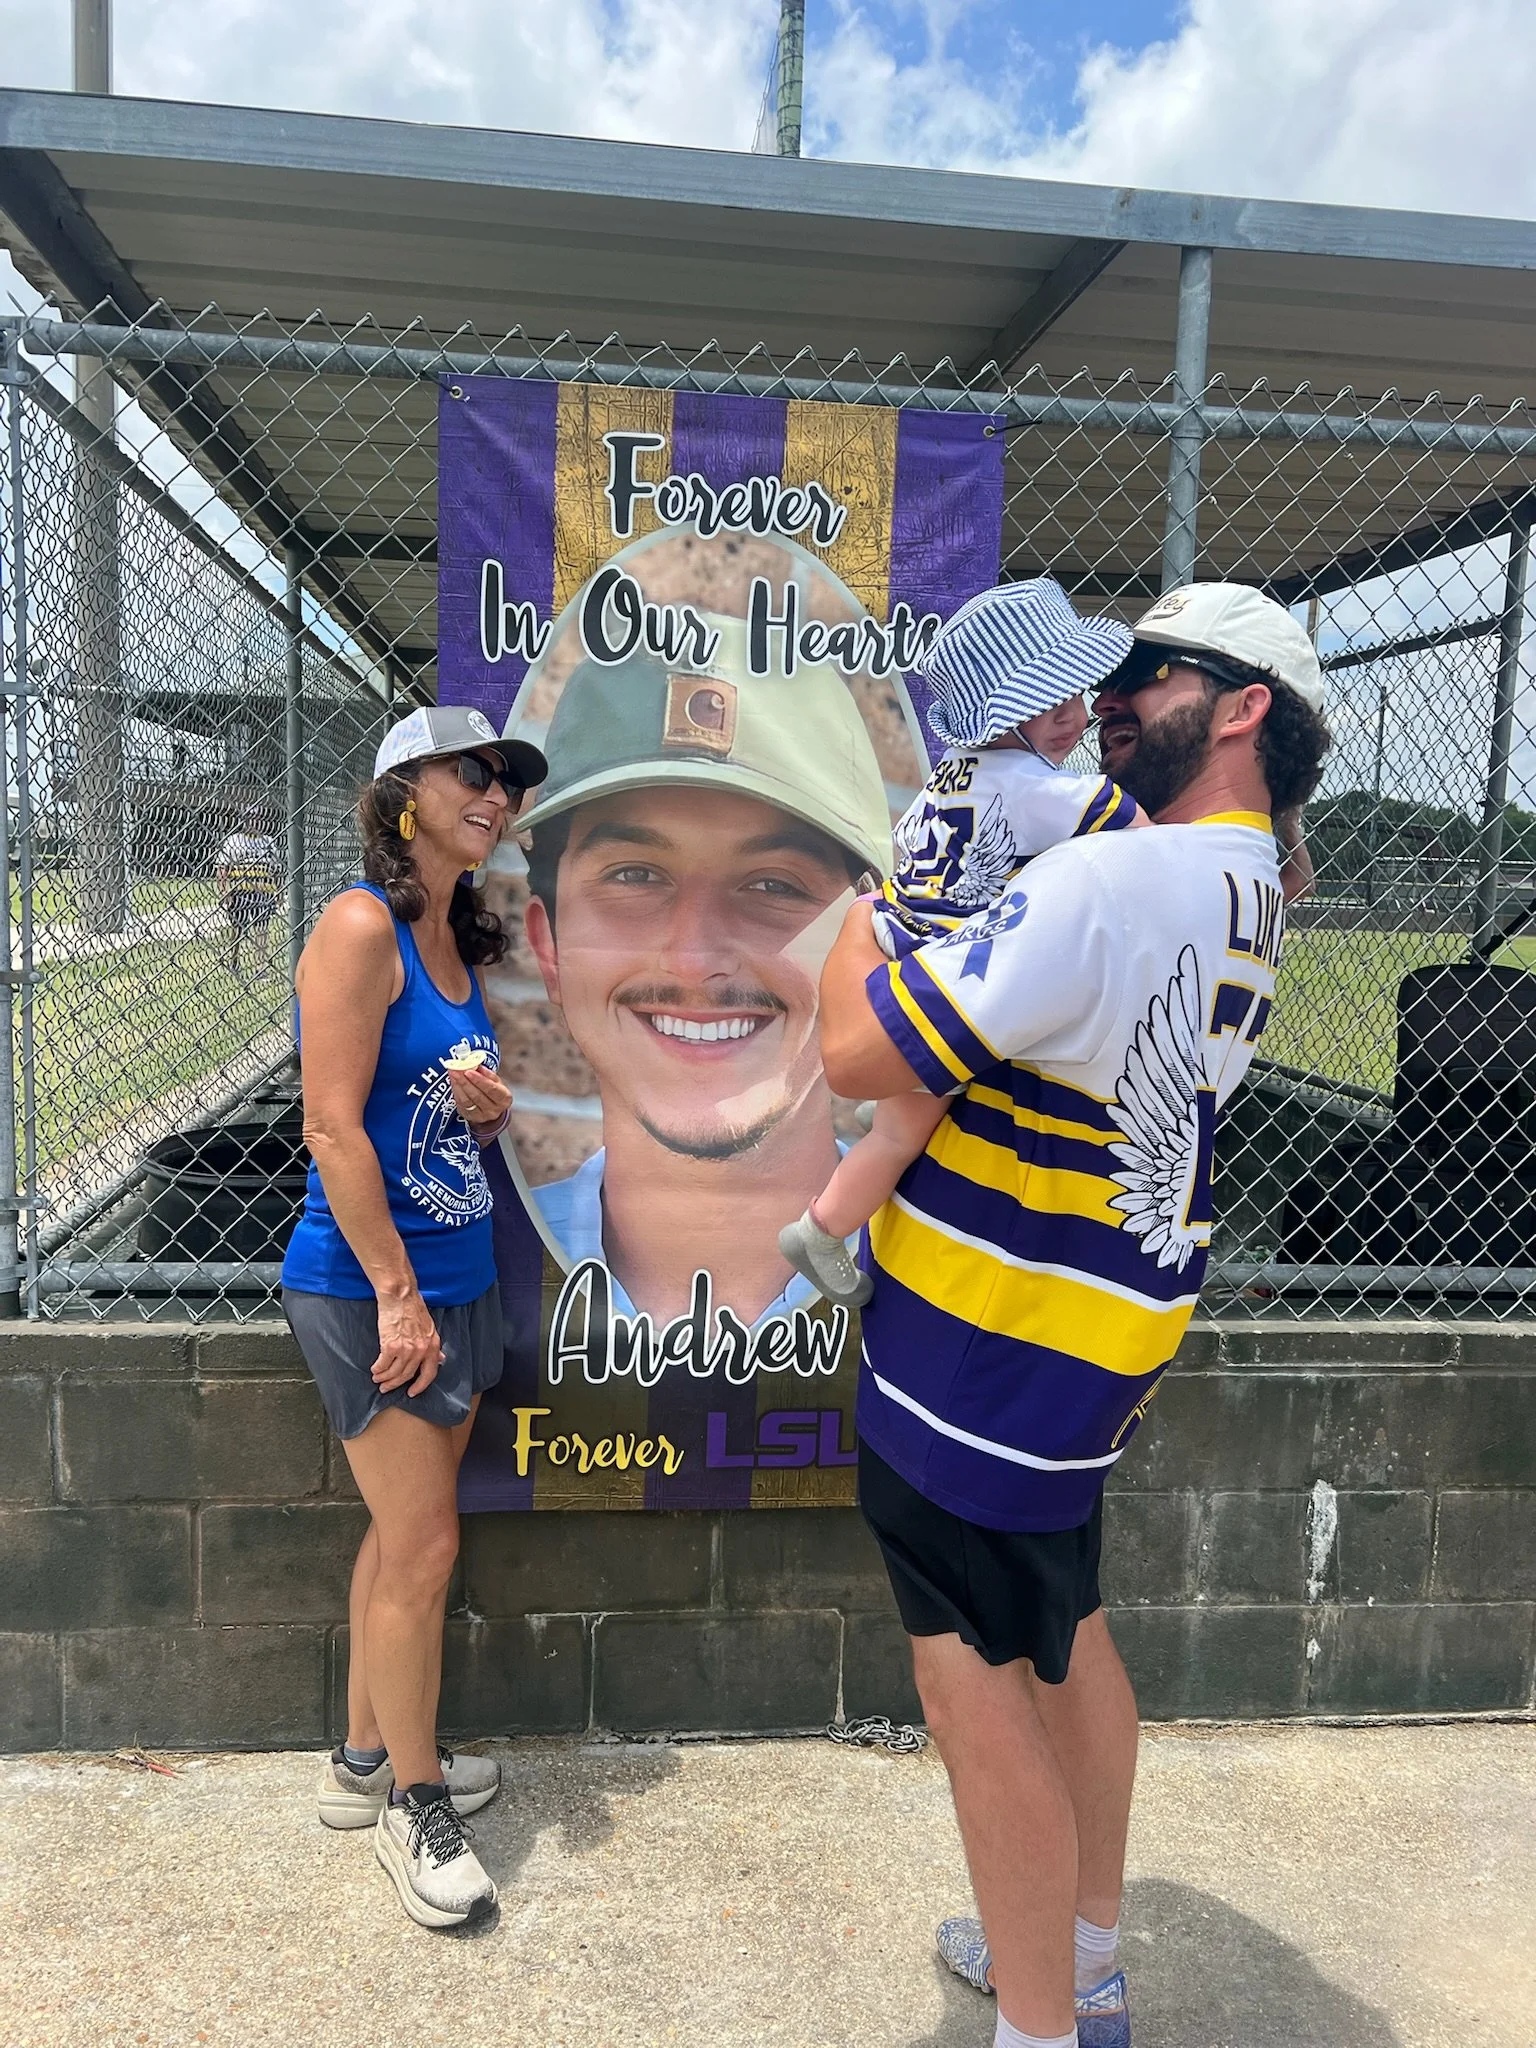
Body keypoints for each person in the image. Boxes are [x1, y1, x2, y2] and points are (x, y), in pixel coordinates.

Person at [816, 582, 1331, 2048]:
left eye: (1155, 674)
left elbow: (862, 1049)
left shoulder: (1113, 880)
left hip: (983, 1341)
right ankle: (1082, 1951)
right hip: (1092, 1339)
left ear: (1243, 711)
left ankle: (1047, 2023)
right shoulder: (1233, 877)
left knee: (971, 1693)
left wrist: (864, 921)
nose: (1114, 692)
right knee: (1063, 1631)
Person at [281, 703, 547, 1932]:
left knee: (405, 1537)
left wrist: (485, 1112)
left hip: (457, 1275)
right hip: (370, 1285)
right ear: (402, 795)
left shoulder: (455, 934)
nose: (492, 794)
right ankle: (418, 1806)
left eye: (502, 778)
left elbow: (420, 1110)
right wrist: (394, 1292)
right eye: (468, 773)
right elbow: (332, 1124)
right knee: (428, 1544)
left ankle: (364, 1759)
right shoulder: (359, 925)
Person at [516, 613, 892, 1327]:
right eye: (635, 875)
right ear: (549, 947)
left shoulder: (953, 1252)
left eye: (776, 885)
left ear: (871, 943)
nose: (695, 960)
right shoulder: (490, 1249)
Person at [778, 579, 1146, 1306]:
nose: (1074, 716)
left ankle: (887, 1096)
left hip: (892, 949)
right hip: (934, 984)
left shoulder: (950, 776)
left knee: (901, 1108)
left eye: (1075, 693)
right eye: (1049, 701)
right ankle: (822, 1231)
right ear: (1003, 715)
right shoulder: (1032, 788)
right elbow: (1132, 828)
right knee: (901, 1137)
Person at [214, 805, 283, 975]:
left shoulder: (268, 841)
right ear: (243, 820)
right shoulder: (234, 841)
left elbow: (276, 870)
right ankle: (234, 960)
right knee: (237, 927)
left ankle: (260, 967)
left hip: (263, 891)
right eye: (250, 818)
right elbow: (222, 868)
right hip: (240, 891)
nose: (254, 822)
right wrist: (225, 891)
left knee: (262, 928)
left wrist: (279, 892)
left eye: (257, 818)